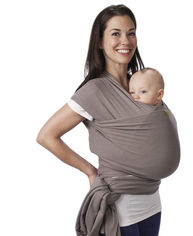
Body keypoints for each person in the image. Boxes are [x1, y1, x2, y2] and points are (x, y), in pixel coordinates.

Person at [36, 4, 177, 236]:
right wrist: (90, 171)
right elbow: (46, 136)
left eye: (131, 33)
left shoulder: (142, 85)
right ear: (100, 42)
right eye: (115, 33)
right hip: (121, 205)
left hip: (153, 200)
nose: (126, 40)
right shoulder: (94, 91)